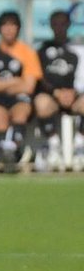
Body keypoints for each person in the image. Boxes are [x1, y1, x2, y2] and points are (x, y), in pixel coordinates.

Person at [0, 10, 42, 172]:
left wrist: (1, 85)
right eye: (5, 26)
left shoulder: (27, 53)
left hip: (19, 98)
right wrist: (14, 81)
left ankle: (14, 150)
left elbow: (28, 86)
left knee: (21, 111)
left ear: (18, 28)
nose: (9, 30)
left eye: (13, 25)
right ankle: (4, 152)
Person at [32, 9, 84, 170]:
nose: (59, 27)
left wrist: (73, 92)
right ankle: (53, 145)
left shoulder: (79, 49)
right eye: (55, 24)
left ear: (68, 25)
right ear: (50, 26)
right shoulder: (41, 50)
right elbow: (39, 78)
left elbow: (82, 75)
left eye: (62, 24)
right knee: (41, 103)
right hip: (53, 96)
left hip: (74, 95)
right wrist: (56, 92)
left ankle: (80, 146)